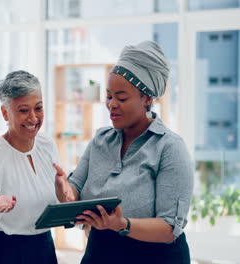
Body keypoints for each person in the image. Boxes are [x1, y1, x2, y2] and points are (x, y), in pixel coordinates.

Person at [55, 41, 194, 264]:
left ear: (147, 98)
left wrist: (122, 224)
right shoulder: (100, 140)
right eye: (109, 96)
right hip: (100, 253)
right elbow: (75, 189)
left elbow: (170, 228)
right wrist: (65, 191)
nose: (112, 105)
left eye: (122, 98)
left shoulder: (170, 148)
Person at [0, 70, 59, 264]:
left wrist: (66, 193)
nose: (33, 118)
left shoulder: (47, 146)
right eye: (23, 110)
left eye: (38, 108)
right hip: (1, 251)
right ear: (5, 113)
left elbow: (54, 203)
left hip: (43, 247)